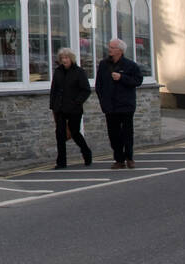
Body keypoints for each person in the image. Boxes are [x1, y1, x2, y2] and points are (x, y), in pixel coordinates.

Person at [95, 38, 144, 169]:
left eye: (112, 48)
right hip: (110, 106)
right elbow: (98, 84)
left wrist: (122, 78)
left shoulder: (130, 65)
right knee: (113, 134)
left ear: (120, 51)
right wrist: (103, 101)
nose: (109, 49)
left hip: (126, 105)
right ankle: (119, 159)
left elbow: (138, 80)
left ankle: (129, 157)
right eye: (109, 47)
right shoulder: (104, 64)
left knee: (127, 133)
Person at [49, 47, 92, 169]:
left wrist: (77, 102)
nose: (64, 60)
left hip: (74, 108)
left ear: (71, 59)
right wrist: (52, 106)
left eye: (66, 58)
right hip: (60, 108)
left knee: (74, 132)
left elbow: (86, 90)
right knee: (60, 134)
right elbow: (54, 90)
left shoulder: (79, 72)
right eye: (62, 58)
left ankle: (86, 152)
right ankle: (61, 162)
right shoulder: (58, 71)